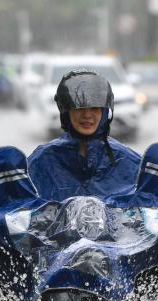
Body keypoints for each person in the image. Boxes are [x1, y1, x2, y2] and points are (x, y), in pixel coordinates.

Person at [27, 69, 141, 202]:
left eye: (94, 108)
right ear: (66, 112)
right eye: (79, 108)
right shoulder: (42, 161)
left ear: (104, 112)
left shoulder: (130, 163)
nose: (87, 115)